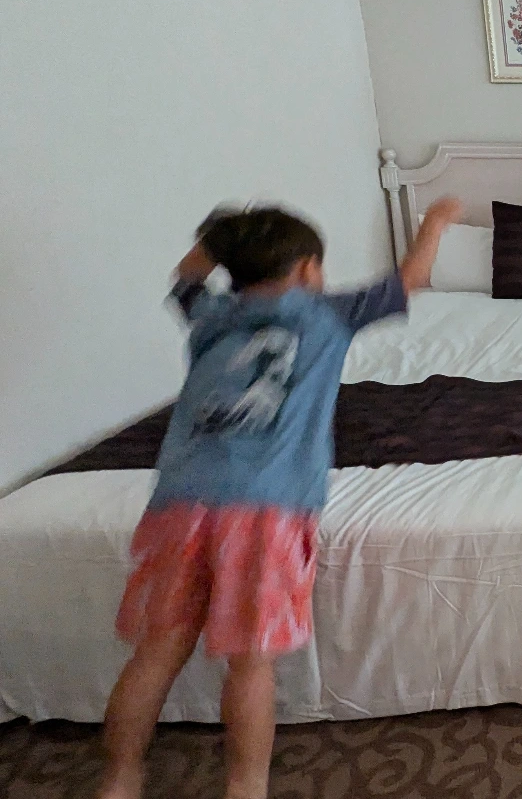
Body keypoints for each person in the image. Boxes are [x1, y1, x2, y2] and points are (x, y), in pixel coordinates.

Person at [97, 197, 463, 799]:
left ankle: (119, 780)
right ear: (308, 271)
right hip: (265, 509)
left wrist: (222, 237)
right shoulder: (328, 314)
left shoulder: (211, 313)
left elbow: (184, 275)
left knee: (155, 653)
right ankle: (245, 787)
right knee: (250, 662)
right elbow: (412, 277)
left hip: (180, 502)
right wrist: (436, 223)